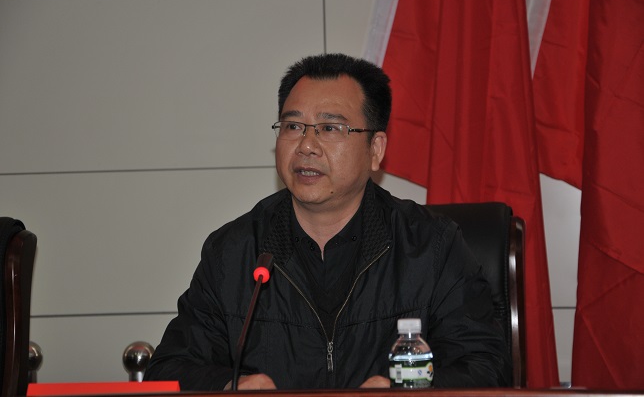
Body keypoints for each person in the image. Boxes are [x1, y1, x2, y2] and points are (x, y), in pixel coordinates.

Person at [144, 53, 510, 390]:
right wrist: (230, 386)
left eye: (330, 128)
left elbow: (488, 367)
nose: (306, 145)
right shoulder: (234, 251)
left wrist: (406, 391)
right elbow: (169, 369)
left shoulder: (431, 247)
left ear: (375, 149)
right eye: (293, 126)